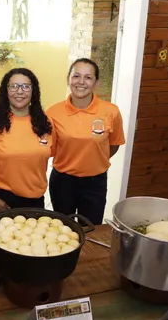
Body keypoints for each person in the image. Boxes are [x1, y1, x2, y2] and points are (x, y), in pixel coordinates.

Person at [46, 58, 125, 225]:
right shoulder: (53, 112)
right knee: (62, 230)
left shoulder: (111, 112)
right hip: (62, 182)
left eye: (88, 77)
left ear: (96, 82)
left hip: (95, 183)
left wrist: (95, 159)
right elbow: (49, 149)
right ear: (68, 79)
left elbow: (114, 144)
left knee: (91, 231)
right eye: (76, 76)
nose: (81, 82)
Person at [0, 68, 54, 215]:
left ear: (33, 91)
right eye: (14, 86)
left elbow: (48, 153)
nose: (20, 91)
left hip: (36, 201)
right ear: (5, 91)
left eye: (26, 86)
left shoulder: (45, 121)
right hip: (3, 201)